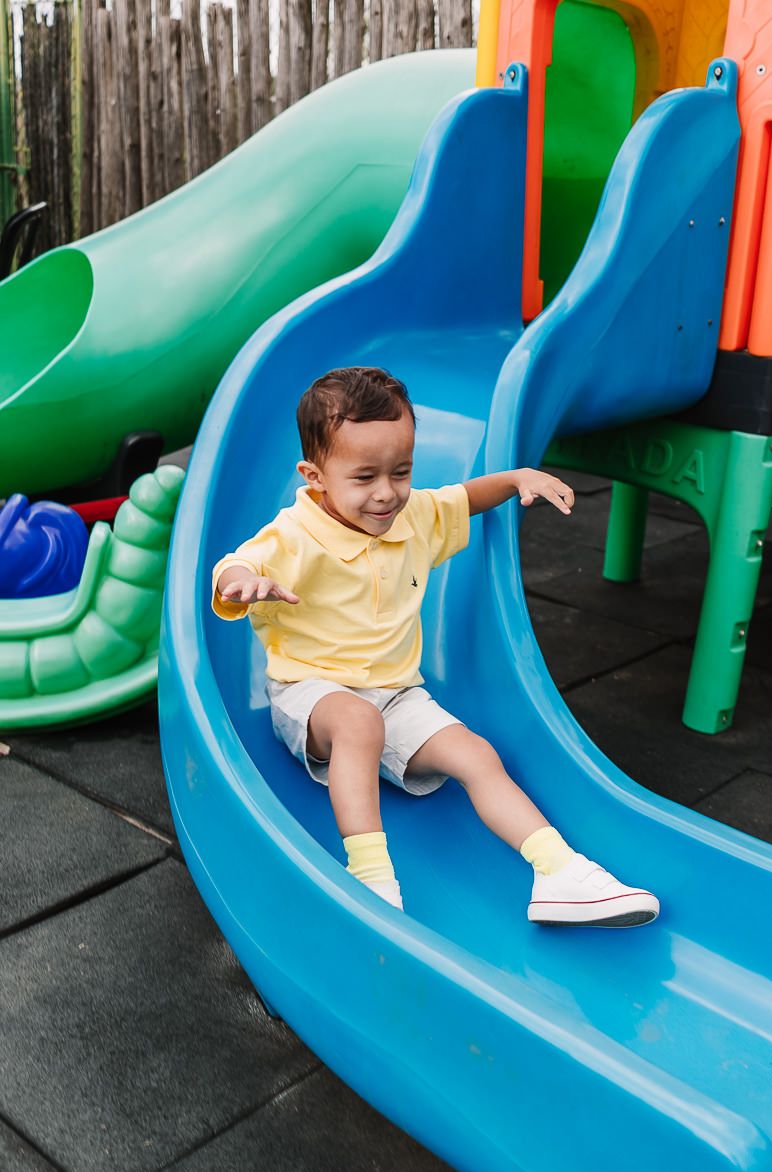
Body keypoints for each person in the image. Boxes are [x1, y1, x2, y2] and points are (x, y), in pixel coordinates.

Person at [212, 366, 660, 927]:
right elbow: (238, 563)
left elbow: (464, 498)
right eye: (365, 477)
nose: (386, 494)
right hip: (313, 693)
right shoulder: (295, 534)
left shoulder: (412, 515)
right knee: (357, 724)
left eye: (401, 472)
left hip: (397, 695)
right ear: (315, 475)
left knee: (476, 755)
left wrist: (517, 478)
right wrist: (240, 582)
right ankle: (370, 879)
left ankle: (560, 872)